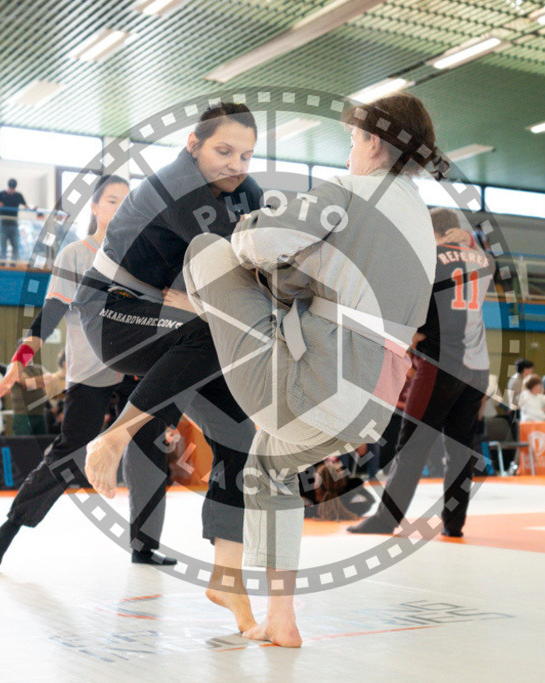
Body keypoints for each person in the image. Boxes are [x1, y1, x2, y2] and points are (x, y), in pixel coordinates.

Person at [177, 93, 447, 647]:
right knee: (266, 464)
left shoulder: (347, 191)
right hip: (377, 399)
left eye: (354, 139)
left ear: (374, 142)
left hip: (321, 380)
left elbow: (255, 240)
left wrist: (260, 236)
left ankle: (192, 333)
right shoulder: (421, 218)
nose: (350, 150)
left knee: (208, 250)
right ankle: (281, 619)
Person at [71, 103, 266, 633]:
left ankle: (227, 575)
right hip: (111, 312)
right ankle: (114, 438)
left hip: (177, 326)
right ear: (191, 144)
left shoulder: (245, 192)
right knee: (206, 330)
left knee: (239, 432)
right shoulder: (178, 187)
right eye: (223, 151)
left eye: (246, 155)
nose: (235, 164)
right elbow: (239, 272)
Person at [0, 175, 184, 569]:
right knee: (71, 451)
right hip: (90, 371)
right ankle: (12, 524)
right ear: (94, 208)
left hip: (138, 370)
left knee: (148, 449)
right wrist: (17, 362)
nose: (120, 208)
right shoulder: (76, 255)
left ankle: (144, 546)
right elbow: (51, 314)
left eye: (127, 202)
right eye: (112, 201)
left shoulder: (146, 257)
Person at [348, 207, 489, 539]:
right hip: (478, 369)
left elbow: (410, 303)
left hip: (441, 364)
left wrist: (411, 333)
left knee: (412, 445)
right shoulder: (483, 261)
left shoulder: (430, 256)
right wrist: (469, 239)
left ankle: (386, 519)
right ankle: (454, 524)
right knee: (461, 449)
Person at [0, 179, 34, 264]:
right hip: (2, 223)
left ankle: (13, 265)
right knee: (2, 247)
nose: (11, 190)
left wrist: (33, 208)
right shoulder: (0, 195)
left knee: (15, 246)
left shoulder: (18, 196)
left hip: (14, 224)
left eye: (13, 188)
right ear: (7, 186)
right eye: (10, 187)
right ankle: (2, 265)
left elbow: (26, 206)